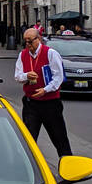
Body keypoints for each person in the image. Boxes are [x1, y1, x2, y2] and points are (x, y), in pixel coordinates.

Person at [14, 27, 73, 158]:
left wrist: (45, 90)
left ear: (38, 39)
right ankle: (27, 168)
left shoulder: (50, 53)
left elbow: (58, 77)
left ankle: (68, 166)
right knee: (28, 139)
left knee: (59, 138)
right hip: (31, 103)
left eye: (30, 41)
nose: (28, 45)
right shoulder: (23, 55)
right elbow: (17, 76)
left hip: (50, 103)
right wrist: (26, 76)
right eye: (26, 42)